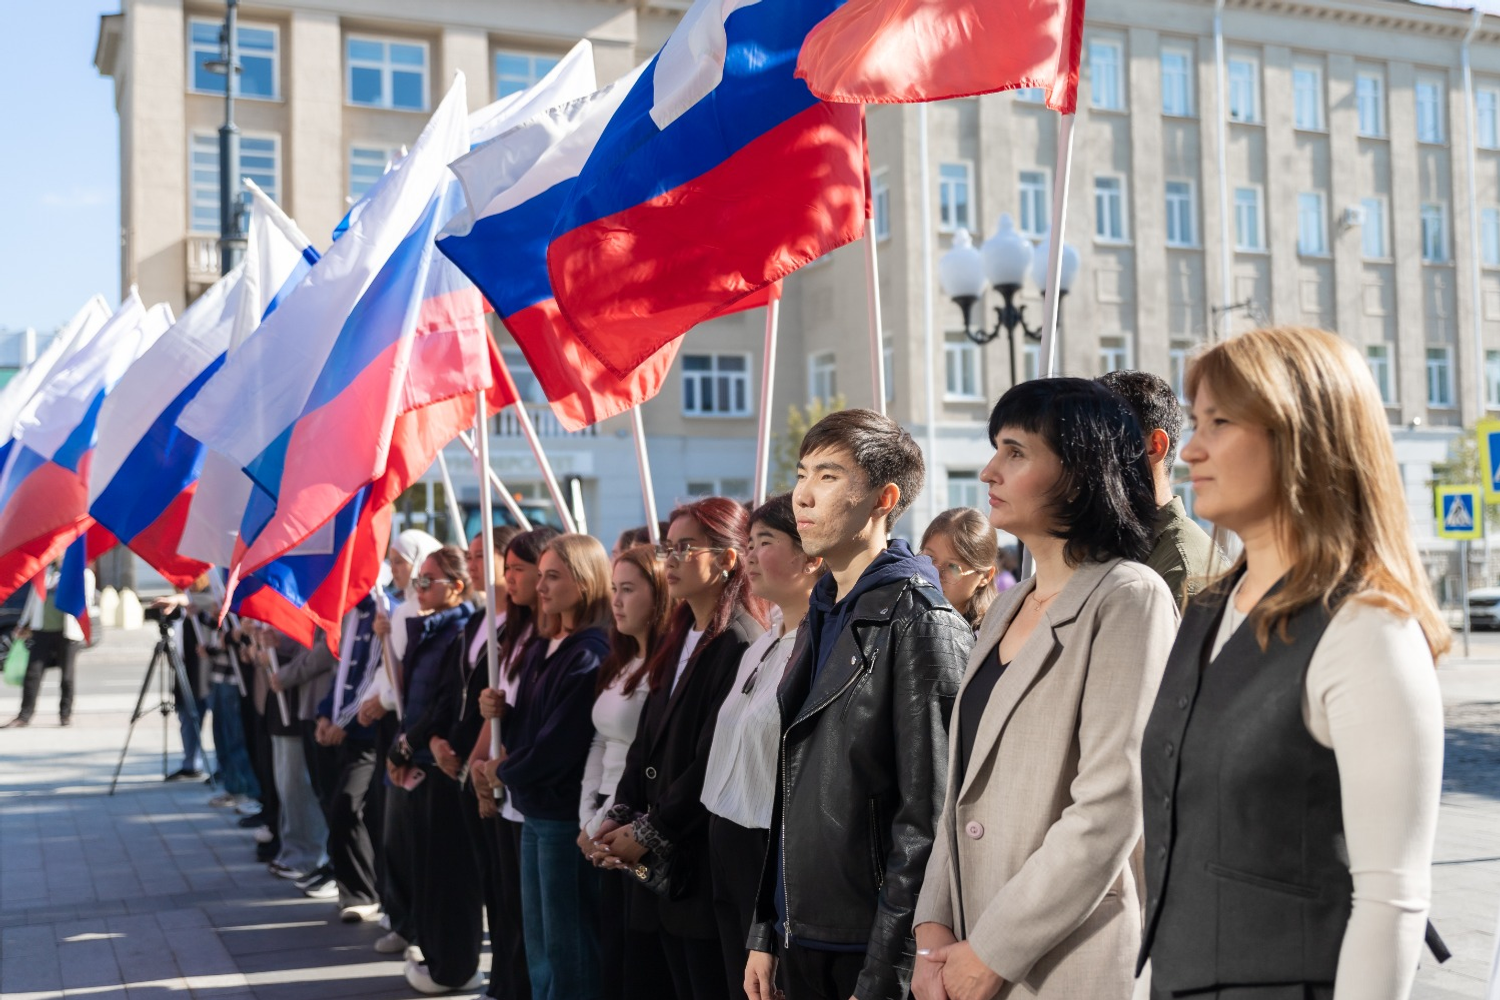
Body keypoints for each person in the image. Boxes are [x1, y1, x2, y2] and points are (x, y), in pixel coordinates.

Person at [1138, 328, 1447, 999]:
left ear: (1303, 435)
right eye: (1195, 422)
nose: (1192, 447)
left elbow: (1391, 903)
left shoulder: (1368, 629)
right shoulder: (1207, 607)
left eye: (1220, 422)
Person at [910, 378, 1178, 1000]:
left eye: (1015, 452)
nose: (988, 472)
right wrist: (931, 931)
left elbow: (1111, 807)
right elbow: (960, 794)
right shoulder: (1006, 610)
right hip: (964, 950)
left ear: (1079, 472)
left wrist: (993, 951)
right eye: (994, 450)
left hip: (1063, 960)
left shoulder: (1128, 597)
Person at [745, 409, 973, 1000]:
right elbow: (791, 785)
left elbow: (927, 815)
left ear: (883, 497)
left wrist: (887, 972)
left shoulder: (921, 622)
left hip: (864, 946)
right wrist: (766, 929)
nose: (803, 495)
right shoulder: (821, 609)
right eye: (801, 474)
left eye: (828, 476)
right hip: (801, 937)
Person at [597, 497, 768, 1000]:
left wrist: (651, 830)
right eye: (666, 548)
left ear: (727, 559)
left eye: (685, 548)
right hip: (658, 862)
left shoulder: (738, 640)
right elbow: (646, 742)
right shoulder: (682, 633)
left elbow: (711, 760)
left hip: (697, 857)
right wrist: (621, 813)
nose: (669, 560)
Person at [701, 493, 822, 997]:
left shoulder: (821, 647)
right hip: (724, 834)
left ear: (810, 556)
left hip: (769, 846)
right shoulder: (761, 644)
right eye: (746, 544)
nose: (748, 556)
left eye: (764, 542)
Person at [483, 534, 612, 1000]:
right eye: (540, 576)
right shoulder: (548, 646)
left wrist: (502, 771)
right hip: (536, 810)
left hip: (560, 814)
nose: (540, 587)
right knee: (540, 941)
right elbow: (535, 728)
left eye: (552, 576)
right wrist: (502, 713)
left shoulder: (589, 652)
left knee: (568, 944)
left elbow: (559, 746)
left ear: (584, 582)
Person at [387, 546, 481, 995]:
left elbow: (446, 702)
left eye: (428, 581)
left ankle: (454, 967)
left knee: (448, 875)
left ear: (456, 588)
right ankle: (436, 955)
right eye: (417, 581)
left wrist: (413, 742)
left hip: (442, 762)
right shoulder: (430, 627)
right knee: (425, 867)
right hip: (422, 756)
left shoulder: (459, 629)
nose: (418, 588)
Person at [580, 543, 672, 999]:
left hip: (631, 832)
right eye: (614, 589)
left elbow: (643, 758)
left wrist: (602, 826)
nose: (615, 600)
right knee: (611, 958)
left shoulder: (666, 669)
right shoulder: (620, 663)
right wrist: (587, 820)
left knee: (636, 965)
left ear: (659, 596)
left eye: (629, 590)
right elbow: (599, 743)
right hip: (603, 824)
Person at [473, 526, 559, 1000]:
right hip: (504, 786)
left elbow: (542, 726)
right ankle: (505, 983)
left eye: (517, 569)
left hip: (530, 792)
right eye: (505, 570)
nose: (510, 579)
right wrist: (477, 763)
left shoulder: (563, 642)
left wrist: (496, 769)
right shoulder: (516, 632)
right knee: (507, 902)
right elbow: (504, 709)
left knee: (542, 923)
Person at [1097, 370, 1218, 604]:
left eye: (1100, 440)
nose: (1081, 457)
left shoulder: (1182, 572)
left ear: (1154, 447)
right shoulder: (1111, 547)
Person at [314, 590, 386, 922]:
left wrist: (342, 721)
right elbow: (342, 673)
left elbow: (372, 673)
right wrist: (325, 714)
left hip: (368, 733)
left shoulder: (382, 610)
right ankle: (357, 890)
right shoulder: (353, 613)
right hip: (347, 730)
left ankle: (365, 891)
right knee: (342, 805)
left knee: (349, 804)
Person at [4, 561, 91, 728]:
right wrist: (23, 623)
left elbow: (85, 601)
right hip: (42, 629)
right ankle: (24, 715)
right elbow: (33, 600)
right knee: (33, 673)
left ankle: (65, 714)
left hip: (68, 631)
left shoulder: (80, 573)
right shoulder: (44, 573)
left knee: (67, 676)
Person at [920, 507, 998, 632]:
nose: (935, 573)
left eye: (953, 566)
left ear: (985, 576)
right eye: (929, 558)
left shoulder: (988, 639)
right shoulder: (902, 618)